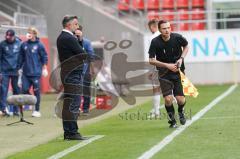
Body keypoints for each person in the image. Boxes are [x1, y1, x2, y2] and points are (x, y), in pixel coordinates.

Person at [148, 20, 189, 128]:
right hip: (164, 73)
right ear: (159, 30)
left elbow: (186, 46)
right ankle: (172, 121)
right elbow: (151, 60)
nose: (167, 30)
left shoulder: (177, 37)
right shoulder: (155, 42)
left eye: (168, 28)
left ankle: (181, 111)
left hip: (178, 72)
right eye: (164, 28)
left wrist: (181, 59)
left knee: (181, 99)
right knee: (168, 99)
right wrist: (167, 65)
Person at [57, 15, 88, 140]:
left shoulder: (65, 37)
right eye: (75, 24)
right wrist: (80, 39)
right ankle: (72, 132)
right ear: (69, 25)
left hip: (70, 73)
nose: (77, 26)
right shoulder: (68, 38)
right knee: (73, 103)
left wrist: (79, 40)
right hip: (72, 74)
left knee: (70, 103)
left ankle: (69, 132)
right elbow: (83, 54)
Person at [18, 27, 48, 118]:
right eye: (28, 32)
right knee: (24, 90)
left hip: (36, 73)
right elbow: (21, 57)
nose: (28, 34)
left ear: (35, 34)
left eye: (30, 32)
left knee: (37, 92)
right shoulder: (24, 45)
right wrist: (18, 68)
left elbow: (44, 57)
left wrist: (45, 68)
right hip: (26, 73)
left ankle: (37, 110)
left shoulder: (40, 45)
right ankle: (31, 101)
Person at [0, 29, 22, 116]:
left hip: (15, 71)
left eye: (10, 36)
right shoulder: (2, 44)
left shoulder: (19, 44)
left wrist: (20, 68)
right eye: (7, 36)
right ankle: (3, 109)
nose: (8, 37)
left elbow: (21, 57)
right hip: (4, 71)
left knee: (16, 90)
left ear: (13, 36)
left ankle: (16, 110)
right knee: (3, 90)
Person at [75, 26, 94, 115]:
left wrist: (91, 69)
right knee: (75, 89)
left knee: (86, 89)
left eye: (78, 32)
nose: (77, 34)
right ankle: (76, 108)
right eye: (75, 32)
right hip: (74, 69)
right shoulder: (71, 43)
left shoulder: (86, 42)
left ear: (81, 32)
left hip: (85, 69)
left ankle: (85, 109)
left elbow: (91, 56)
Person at [147, 19, 161, 118]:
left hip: (157, 66)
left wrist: (151, 70)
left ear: (152, 27)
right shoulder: (166, 36)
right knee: (170, 89)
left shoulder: (152, 38)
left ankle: (156, 111)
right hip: (168, 66)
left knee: (156, 89)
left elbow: (152, 56)